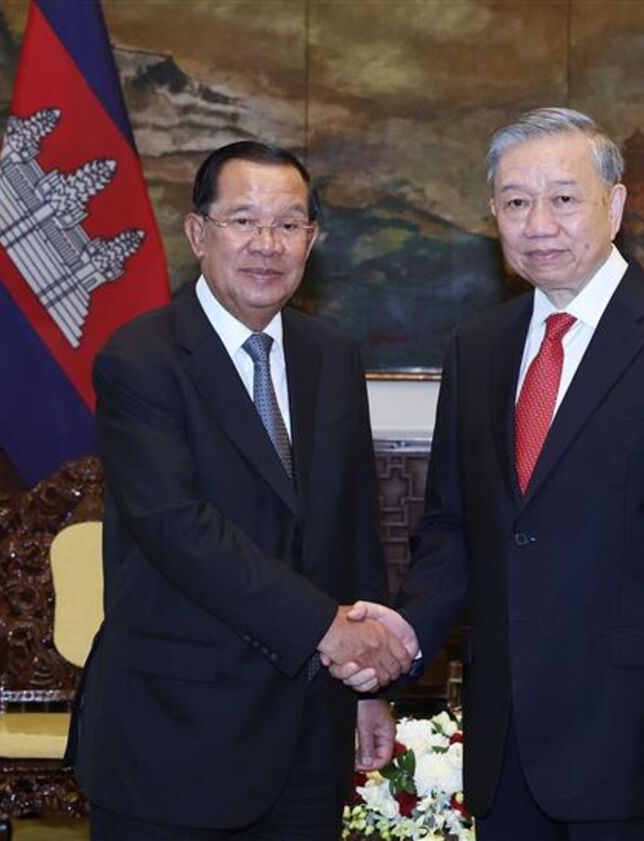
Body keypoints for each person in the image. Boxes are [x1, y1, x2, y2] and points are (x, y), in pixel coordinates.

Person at [338, 108, 644, 840]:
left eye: (563, 199)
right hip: (506, 736)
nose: (538, 224)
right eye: (515, 202)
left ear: (615, 205)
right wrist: (405, 631)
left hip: (641, 736)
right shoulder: (478, 346)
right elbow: (452, 526)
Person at [69, 141, 413, 841]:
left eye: (289, 224)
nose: (268, 244)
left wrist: (367, 685)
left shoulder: (332, 355)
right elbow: (178, 527)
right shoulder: (140, 358)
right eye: (244, 221)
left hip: (308, 737)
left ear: (311, 240)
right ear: (198, 233)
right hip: (175, 734)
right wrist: (327, 629)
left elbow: (352, 526)